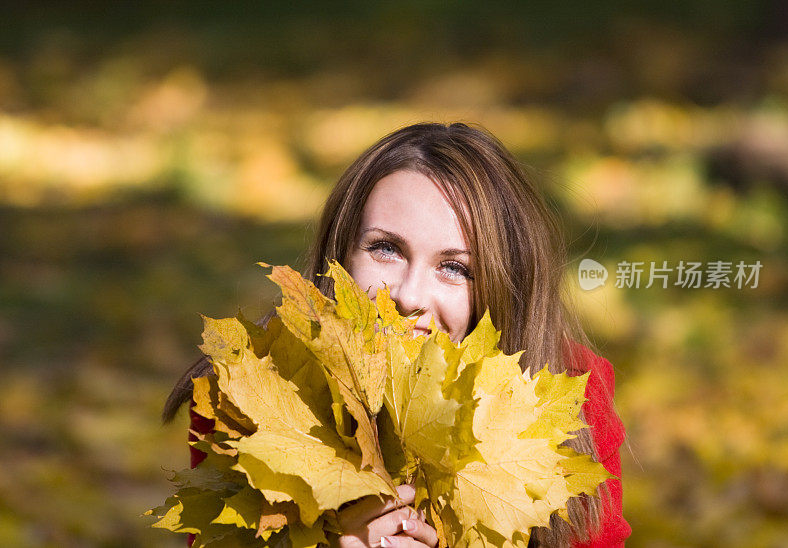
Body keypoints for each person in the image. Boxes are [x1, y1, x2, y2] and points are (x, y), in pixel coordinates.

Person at [163, 122, 631, 547]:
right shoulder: (250, 389)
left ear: (505, 283)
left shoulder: (569, 397)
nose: (409, 297)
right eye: (386, 249)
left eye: (454, 268)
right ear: (340, 255)